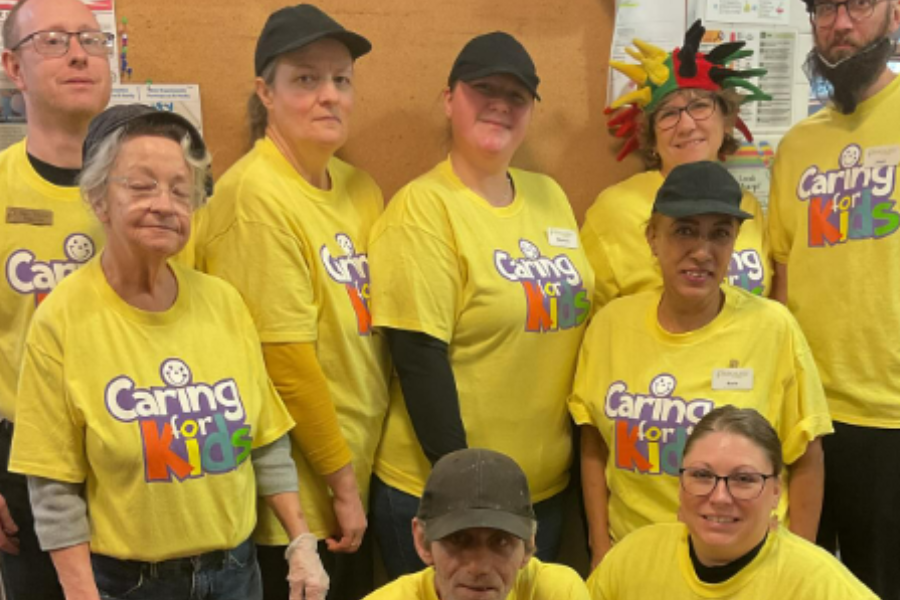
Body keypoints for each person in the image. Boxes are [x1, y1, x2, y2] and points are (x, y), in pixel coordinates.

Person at [8, 104, 328, 600]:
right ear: (98, 198)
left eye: (182, 191)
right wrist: (80, 593)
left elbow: (264, 442)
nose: (165, 204)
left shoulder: (224, 303)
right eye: (141, 186)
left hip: (236, 573)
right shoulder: (62, 318)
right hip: (130, 583)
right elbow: (54, 487)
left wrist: (301, 543)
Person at [368, 31, 594, 577]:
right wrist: (472, 499)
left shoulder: (550, 196)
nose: (500, 104)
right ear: (449, 99)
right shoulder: (423, 208)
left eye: (516, 96)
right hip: (449, 497)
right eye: (483, 88)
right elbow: (418, 358)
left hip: (541, 492)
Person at [195, 5, 389, 598]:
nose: (330, 95)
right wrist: (343, 487)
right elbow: (284, 360)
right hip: (299, 505)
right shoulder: (255, 197)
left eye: (342, 79)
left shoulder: (358, 188)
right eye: (307, 79)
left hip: (354, 472)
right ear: (266, 93)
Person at [569, 161, 832, 569]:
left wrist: (799, 565)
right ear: (653, 238)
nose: (702, 251)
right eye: (685, 230)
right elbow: (594, 445)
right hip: (637, 560)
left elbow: (807, 454)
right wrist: (600, 546)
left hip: (745, 563)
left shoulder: (773, 328)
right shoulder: (610, 326)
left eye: (719, 234)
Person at [767, 0, 900, 596]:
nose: (840, 24)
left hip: (892, 418)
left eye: (860, 4)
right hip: (808, 419)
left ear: (894, 12)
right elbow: (784, 281)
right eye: (824, 7)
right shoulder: (796, 146)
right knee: (800, 584)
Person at [0, 0, 112, 597]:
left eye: (92, 41)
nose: (77, 53)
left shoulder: (158, 193)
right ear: (12, 67)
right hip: (26, 458)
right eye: (52, 41)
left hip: (144, 447)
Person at [586, 406, 876, 599]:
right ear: (680, 485)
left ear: (776, 491)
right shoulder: (632, 558)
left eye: (744, 480)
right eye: (702, 475)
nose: (720, 497)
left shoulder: (819, 585)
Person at [582, 20, 773, 311]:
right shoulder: (614, 211)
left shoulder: (746, 206)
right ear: (652, 136)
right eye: (669, 114)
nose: (686, 125)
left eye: (699, 106)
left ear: (726, 120)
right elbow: (592, 325)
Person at [365, 448, 590, 600]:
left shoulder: (558, 592)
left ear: (528, 545)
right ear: (422, 541)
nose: (479, 567)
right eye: (458, 540)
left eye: (500, 541)